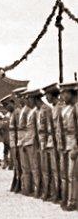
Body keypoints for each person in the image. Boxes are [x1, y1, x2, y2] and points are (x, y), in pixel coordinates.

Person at [58, 82, 77, 211]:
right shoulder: (67, 108)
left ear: (72, 93)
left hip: (73, 144)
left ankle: (73, 201)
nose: (63, 95)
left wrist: (76, 148)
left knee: (72, 175)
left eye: (65, 93)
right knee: (68, 175)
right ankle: (68, 199)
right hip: (66, 144)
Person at [43, 83, 62, 203]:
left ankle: (59, 194)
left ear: (53, 95)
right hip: (51, 141)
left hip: (57, 142)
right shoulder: (54, 108)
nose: (46, 98)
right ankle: (55, 192)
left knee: (58, 170)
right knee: (53, 169)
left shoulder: (60, 107)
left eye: (47, 95)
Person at [1, 90, 22, 193]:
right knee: (16, 164)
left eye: (7, 105)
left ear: (12, 103)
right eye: (5, 106)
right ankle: (16, 183)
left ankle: (19, 184)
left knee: (19, 164)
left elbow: (19, 130)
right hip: (12, 142)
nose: (6, 107)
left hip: (17, 143)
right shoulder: (12, 114)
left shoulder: (17, 113)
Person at [17, 91, 34, 196]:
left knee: (29, 166)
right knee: (24, 166)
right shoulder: (22, 110)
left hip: (26, 139)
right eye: (19, 98)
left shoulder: (28, 111)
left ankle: (29, 187)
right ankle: (26, 187)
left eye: (22, 97)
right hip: (21, 139)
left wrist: (24, 141)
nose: (20, 100)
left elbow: (28, 128)